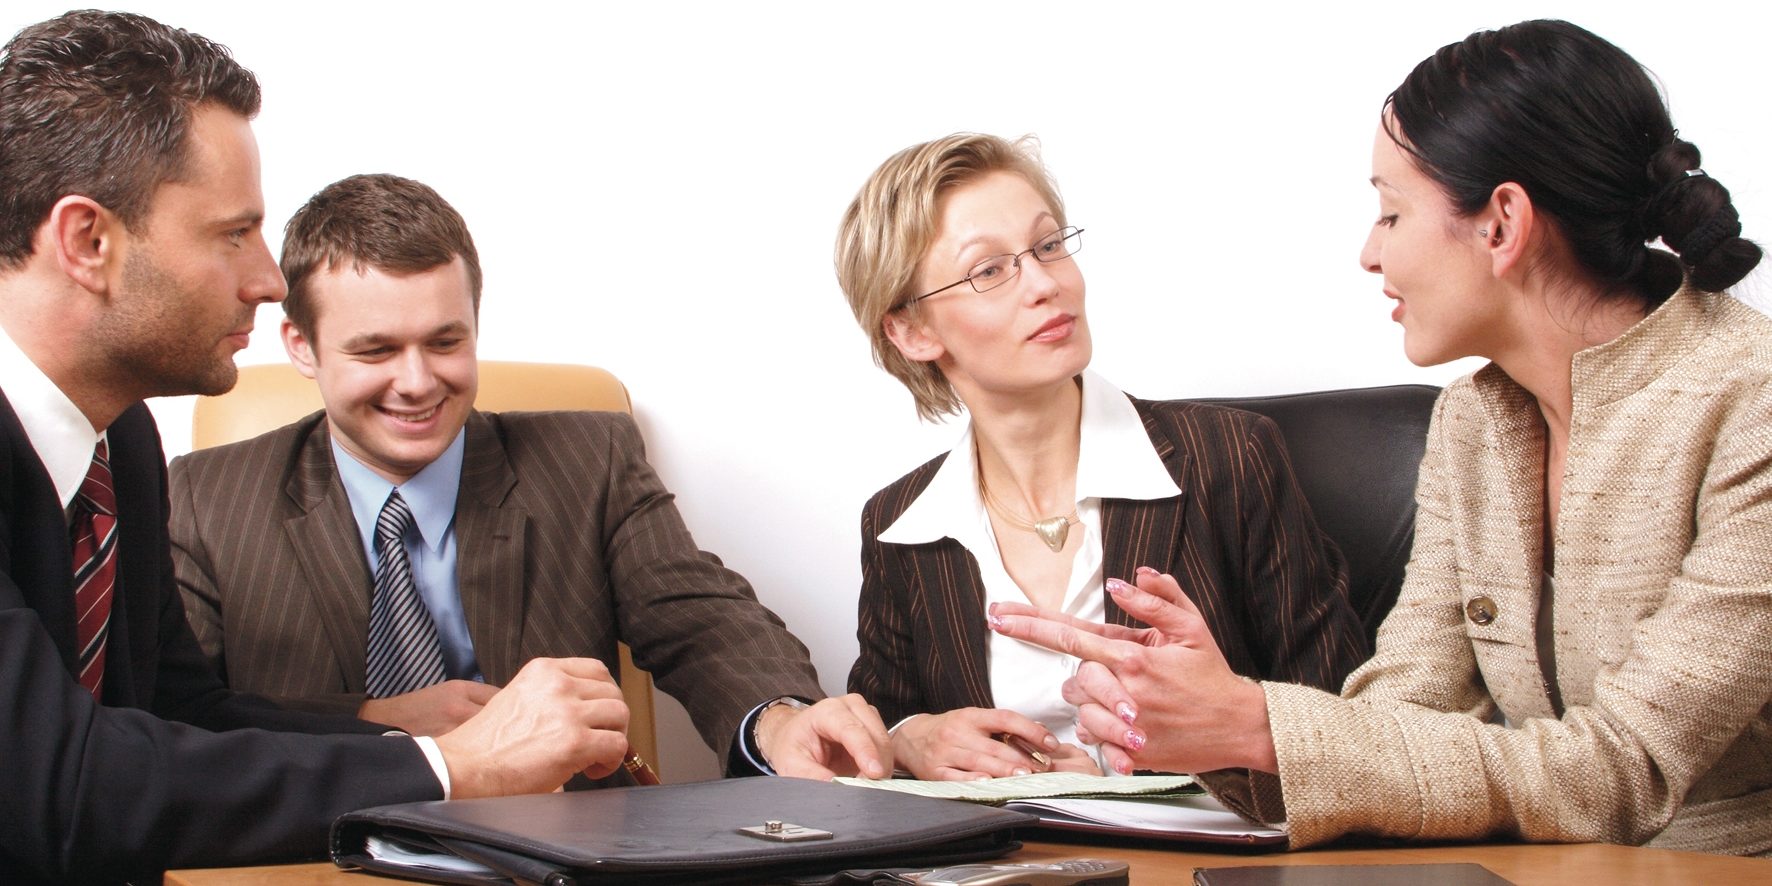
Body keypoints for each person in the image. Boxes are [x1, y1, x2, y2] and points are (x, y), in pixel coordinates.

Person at [990, 19, 1771, 856]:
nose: (1369, 251)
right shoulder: (1475, 420)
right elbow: (1404, 713)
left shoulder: (1750, 406)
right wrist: (1216, 727)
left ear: (1502, 223)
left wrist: (1262, 726)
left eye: (1391, 213)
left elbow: (1625, 771)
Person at [0, 12, 635, 882]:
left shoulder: (122, 443)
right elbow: (56, 788)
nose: (266, 280)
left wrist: (427, 733)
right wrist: (458, 768)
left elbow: (186, 713)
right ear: (88, 241)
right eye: (233, 234)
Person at [169, 172, 890, 781]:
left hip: (558, 850)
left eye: (445, 341)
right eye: (377, 350)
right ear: (302, 345)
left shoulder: (588, 460)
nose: (417, 382)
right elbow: (173, 719)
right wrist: (374, 723)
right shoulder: (203, 500)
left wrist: (779, 720)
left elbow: (703, 620)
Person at [832, 134, 1369, 780]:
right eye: (989, 270)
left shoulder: (1229, 458)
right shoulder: (900, 525)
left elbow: (1352, 731)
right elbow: (871, 752)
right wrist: (909, 738)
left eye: (1049, 246)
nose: (1045, 284)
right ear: (913, 331)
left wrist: (1125, 778)